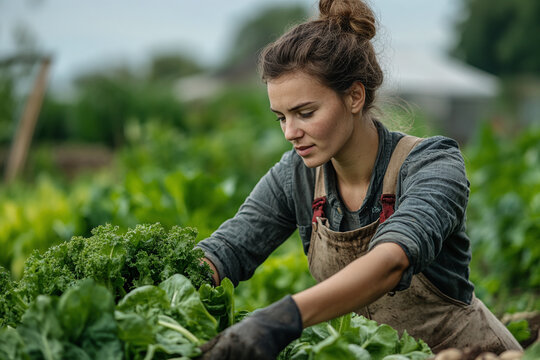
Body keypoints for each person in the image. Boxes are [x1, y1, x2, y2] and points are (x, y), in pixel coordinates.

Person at [196, 0, 522, 358]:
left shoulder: (433, 163)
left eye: (305, 113)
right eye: (281, 117)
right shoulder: (297, 177)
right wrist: (165, 284)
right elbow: (227, 251)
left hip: (471, 351)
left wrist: (282, 318)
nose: (290, 132)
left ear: (354, 96)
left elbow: (392, 260)